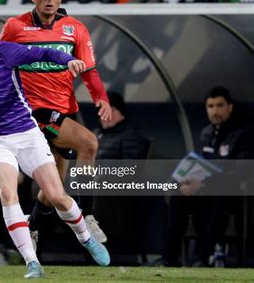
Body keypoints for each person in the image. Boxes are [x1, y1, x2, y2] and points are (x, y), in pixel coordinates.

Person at [0, 20, 110, 278]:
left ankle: (86, 238)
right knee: (8, 194)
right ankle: (33, 263)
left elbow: (42, 53)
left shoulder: (4, 52)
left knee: (57, 196)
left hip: (26, 134)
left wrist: (66, 61)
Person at [0, 0, 111, 248]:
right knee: (89, 143)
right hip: (32, 112)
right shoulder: (15, 27)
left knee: (53, 190)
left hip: (64, 109)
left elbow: (90, 70)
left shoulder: (75, 29)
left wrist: (101, 97)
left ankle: (32, 227)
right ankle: (88, 216)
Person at [164, 87, 254, 266]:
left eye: (220, 105)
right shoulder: (206, 133)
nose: (215, 111)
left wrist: (204, 183)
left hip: (231, 194)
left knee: (218, 194)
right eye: (210, 106)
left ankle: (202, 257)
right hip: (205, 189)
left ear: (230, 107)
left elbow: (242, 172)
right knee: (177, 193)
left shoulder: (244, 134)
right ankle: (170, 259)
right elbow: (202, 164)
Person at [93, 91, 151, 263]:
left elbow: (130, 169)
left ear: (121, 113)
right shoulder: (94, 135)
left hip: (118, 197)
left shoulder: (129, 136)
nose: (105, 116)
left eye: (110, 110)